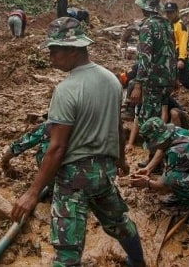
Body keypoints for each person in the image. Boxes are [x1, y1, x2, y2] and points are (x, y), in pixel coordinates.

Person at [10, 17, 146, 267]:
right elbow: (117, 126)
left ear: (73, 49)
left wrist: (31, 193)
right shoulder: (112, 80)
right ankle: (138, 262)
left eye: (55, 50)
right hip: (103, 172)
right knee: (118, 222)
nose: (51, 57)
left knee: (67, 247)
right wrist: (122, 160)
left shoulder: (66, 89)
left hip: (74, 177)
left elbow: (57, 146)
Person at [129, 117, 189, 209]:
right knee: (169, 173)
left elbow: (164, 185)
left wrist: (147, 183)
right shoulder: (175, 132)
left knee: (173, 178)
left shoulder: (178, 152)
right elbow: (162, 148)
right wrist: (148, 168)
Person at [130, 0, 178, 131]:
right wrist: (174, 77)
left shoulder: (147, 26)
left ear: (145, 8)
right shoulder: (167, 25)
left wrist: (138, 84)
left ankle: (152, 148)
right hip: (167, 79)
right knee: (161, 113)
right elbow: (172, 52)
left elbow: (145, 57)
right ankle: (161, 146)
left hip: (153, 81)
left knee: (148, 120)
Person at [163, 2, 189, 102]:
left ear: (177, 12)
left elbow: (183, 43)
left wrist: (181, 59)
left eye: (171, 12)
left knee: (187, 78)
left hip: (179, 55)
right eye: (167, 13)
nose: (169, 15)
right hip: (171, 55)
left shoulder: (181, 26)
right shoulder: (170, 25)